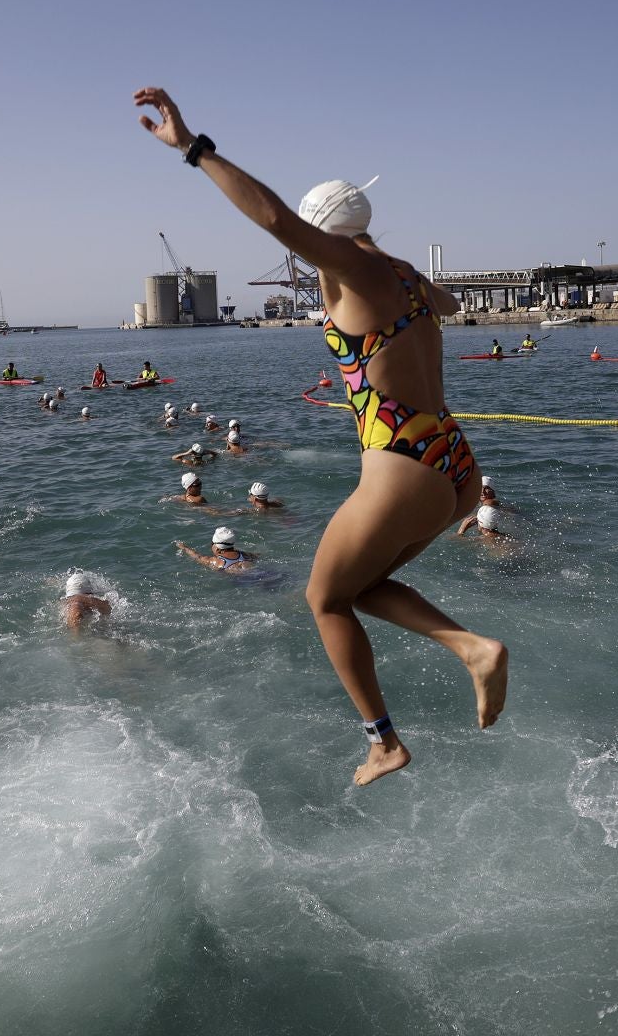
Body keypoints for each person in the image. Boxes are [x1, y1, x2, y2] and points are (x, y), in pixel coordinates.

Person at [137, 86, 506, 785]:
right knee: (362, 588)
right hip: (452, 462)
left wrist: (193, 150)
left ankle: (385, 740)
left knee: (323, 599)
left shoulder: (351, 269)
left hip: (400, 464)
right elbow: (450, 302)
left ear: (324, 237)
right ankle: (469, 650)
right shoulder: (405, 276)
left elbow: (272, 216)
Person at [176, 526, 254, 573]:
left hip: (242, 581)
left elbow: (198, 557)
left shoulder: (216, 561)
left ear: (217, 548)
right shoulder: (244, 554)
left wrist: (184, 547)